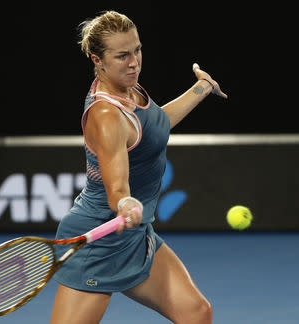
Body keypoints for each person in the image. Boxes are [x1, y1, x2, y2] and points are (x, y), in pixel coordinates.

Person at [50, 10, 227, 324]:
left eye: (137, 50)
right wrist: (125, 202)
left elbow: (156, 125)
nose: (133, 62)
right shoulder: (106, 115)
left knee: (197, 314)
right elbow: (116, 187)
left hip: (136, 235)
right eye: (122, 55)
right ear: (97, 60)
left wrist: (200, 89)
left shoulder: (131, 90)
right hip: (98, 240)